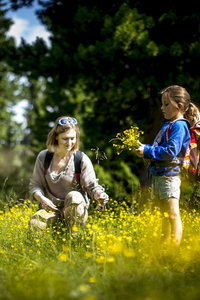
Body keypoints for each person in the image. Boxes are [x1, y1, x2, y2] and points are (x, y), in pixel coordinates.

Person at [135, 85, 199, 246]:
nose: (162, 108)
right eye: (162, 104)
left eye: (166, 104)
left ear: (179, 106)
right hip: (161, 175)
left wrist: (148, 151)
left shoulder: (179, 125)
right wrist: (145, 149)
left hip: (169, 177)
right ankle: (165, 247)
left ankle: (174, 249)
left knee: (172, 214)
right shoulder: (170, 124)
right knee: (164, 215)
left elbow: (171, 151)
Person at [29, 116, 109, 231]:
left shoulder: (80, 159)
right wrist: (42, 199)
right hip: (51, 210)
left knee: (74, 196)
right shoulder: (44, 157)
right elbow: (35, 185)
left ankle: (74, 239)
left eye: (73, 138)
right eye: (65, 139)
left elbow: (92, 186)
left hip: (75, 209)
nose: (70, 143)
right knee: (35, 224)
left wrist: (98, 194)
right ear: (56, 137)